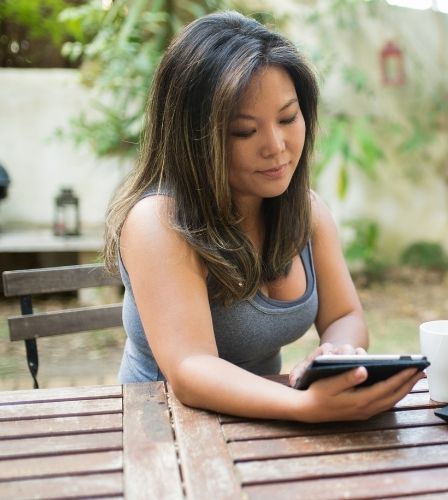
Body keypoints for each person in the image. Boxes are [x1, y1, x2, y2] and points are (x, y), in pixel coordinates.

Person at [103, 11, 423, 421]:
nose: (276, 146)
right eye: (244, 131)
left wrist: (337, 354)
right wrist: (306, 406)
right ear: (194, 139)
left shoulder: (306, 212)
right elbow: (190, 369)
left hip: (263, 427)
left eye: (288, 118)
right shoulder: (159, 221)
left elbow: (345, 315)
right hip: (164, 433)